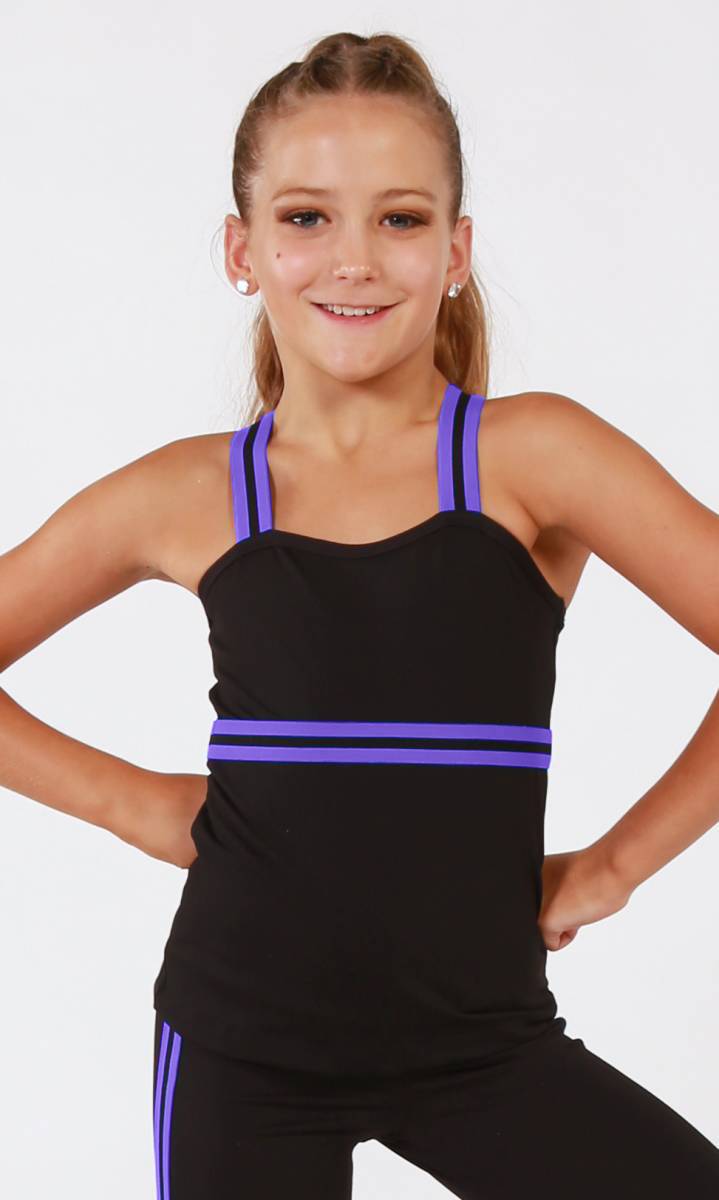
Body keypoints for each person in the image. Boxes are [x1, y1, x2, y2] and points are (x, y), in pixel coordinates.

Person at [2, 28, 718, 1200]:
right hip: (241, 1051)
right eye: (305, 217)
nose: (353, 260)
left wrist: (616, 864)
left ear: (454, 250)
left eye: (398, 218)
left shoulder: (531, 457)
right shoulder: (189, 492)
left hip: (484, 1045)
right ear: (241, 249)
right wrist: (136, 802)